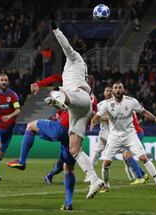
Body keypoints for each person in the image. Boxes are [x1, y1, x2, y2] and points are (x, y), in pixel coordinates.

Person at [42, 13, 104, 199]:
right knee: (74, 149)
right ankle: (94, 180)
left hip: (79, 98)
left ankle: (59, 100)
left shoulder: (75, 58)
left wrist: (55, 29)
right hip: (82, 109)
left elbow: (65, 46)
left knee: (58, 92)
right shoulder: (77, 67)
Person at [90, 82, 156, 194]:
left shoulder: (131, 102)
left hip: (130, 135)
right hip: (114, 137)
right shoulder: (106, 104)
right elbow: (97, 116)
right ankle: (106, 185)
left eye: (120, 88)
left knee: (144, 158)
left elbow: (144, 112)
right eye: (115, 88)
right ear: (113, 91)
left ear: (124, 90)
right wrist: (93, 122)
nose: (117, 90)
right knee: (106, 163)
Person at [91, 86, 148, 187]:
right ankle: (143, 174)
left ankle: (139, 177)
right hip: (132, 132)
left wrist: (97, 117)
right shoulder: (123, 105)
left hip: (134, 133)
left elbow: (112, 118)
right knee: (125, 156)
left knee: (126, 155)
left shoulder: (124, 106)